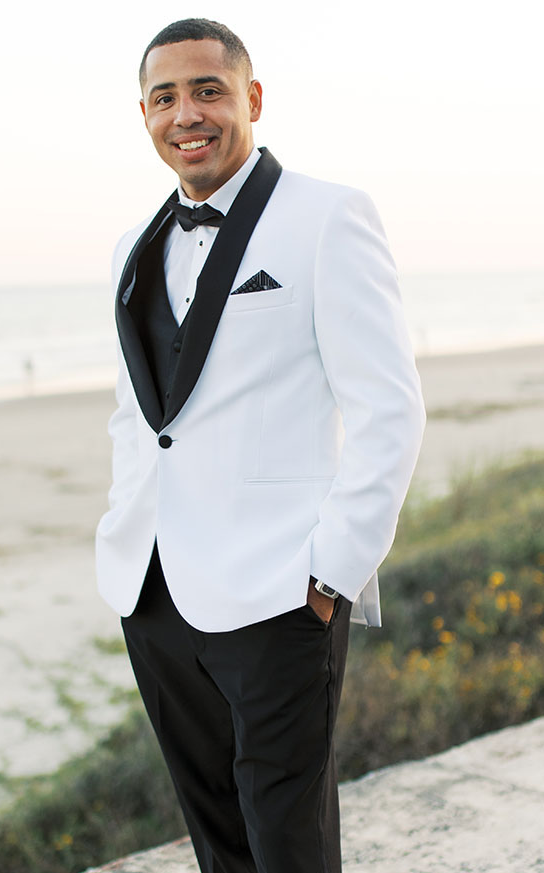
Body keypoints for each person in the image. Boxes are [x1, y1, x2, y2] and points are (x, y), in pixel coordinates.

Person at [96, 18, 426, 873]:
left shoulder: (327, 216)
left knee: (289, 842)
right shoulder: (135, 247)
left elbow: (389, 409)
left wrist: (331, 575)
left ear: (253, 98)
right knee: (218, 835)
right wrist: (122, 540)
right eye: (164, 97)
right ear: (143, 115)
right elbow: (139, 417)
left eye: (208, 89)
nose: (187, 114)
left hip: (281, 592)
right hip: (156, 593)